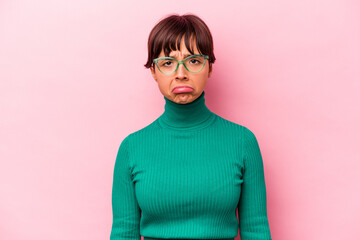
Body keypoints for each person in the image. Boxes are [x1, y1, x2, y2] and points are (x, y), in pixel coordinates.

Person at [110, 13, 272, 240]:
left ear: (210, 67)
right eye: (167, 63)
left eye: (193, 61)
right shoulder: (131, 148)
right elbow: (123, 233)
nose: (181, 74)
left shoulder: (243, 142)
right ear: (154, 72)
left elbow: (256, 230)